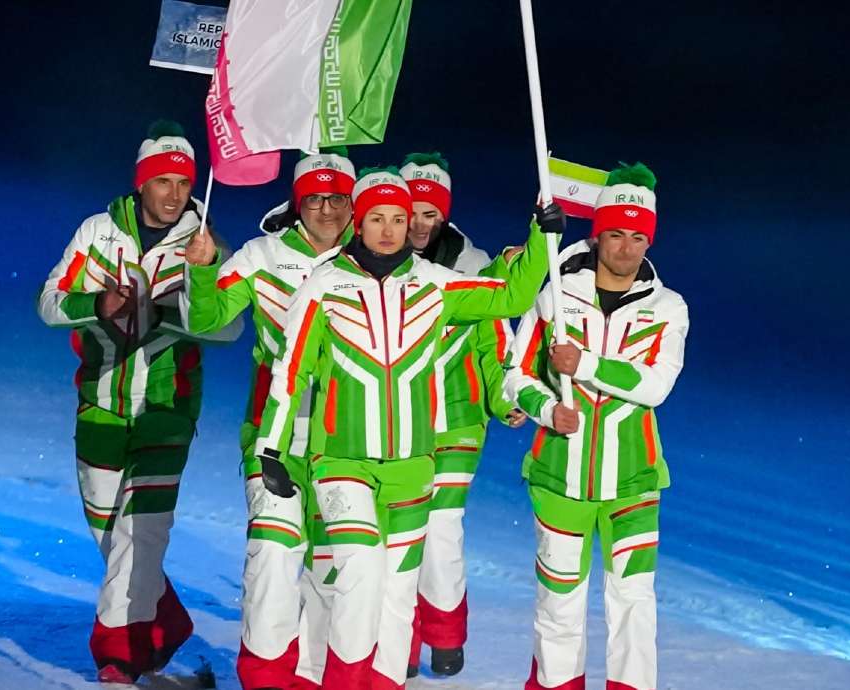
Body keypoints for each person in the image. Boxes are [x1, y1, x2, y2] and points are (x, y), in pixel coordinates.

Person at [254, 166, 562, 689]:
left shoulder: (437, 285)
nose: (391, 229)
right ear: (359, 221)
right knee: (359, 576)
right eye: (378, 217)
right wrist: (272, 449)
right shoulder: (323, 287)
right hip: (342, 463)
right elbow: (292, 372)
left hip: (414, 467)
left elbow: (507, 298)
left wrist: (543, 234)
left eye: (398, 218)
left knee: (397, 594)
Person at [36, 120, 240, 684]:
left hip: (167, 407)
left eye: (184, 181)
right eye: (164, 180)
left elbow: (229, 329)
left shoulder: (204, 242)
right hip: (99, 403)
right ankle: (165, 622)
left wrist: (203, 276)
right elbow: (48, 303)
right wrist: (97, 303)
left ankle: (117, 658)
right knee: (109, 532)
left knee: (140, 533)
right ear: (142, 182)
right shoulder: (98, 232)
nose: (176, 193)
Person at [503, 163, 689, 690]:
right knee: (559, 605)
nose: (627, 249)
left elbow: (656, 386)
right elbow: (515, 376)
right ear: (597, 233)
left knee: (634, 603)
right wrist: (545, 409)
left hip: (634, 479)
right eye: (616, 234)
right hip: (558, 478)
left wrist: (582, 363)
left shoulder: (668, 308)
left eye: (637, 237)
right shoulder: (555, 295)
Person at [180, 149, 357, 690]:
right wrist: (204, 269)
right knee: (273, 560)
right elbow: (204, 319)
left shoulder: (373, 259)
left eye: (337, 199)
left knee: (333, 570)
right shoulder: (262, 255)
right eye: (314, 199)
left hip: (348, 443)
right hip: (273, 433)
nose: (326, 210)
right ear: (297, 203)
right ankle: (265, 680)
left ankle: (312, 679)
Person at [397, 152, 528, 678]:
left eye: (432, 214)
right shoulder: (377, 262)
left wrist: (504, 399)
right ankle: (399, 640)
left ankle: (446, 635)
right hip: (394, 419)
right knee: (399, 533)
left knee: (441, 527)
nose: (422, 225)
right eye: (414, 212)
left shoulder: (474, 268)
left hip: (456, 417)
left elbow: (494, 343)